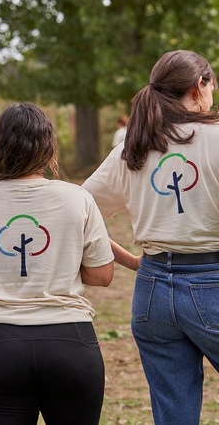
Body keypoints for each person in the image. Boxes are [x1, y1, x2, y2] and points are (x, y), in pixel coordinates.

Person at [0, 102, 114, 425]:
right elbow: (102, 274)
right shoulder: (76, 198)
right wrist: (61, 261)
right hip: (71, 345)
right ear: (49, 147)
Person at [83, 49, 219, 425]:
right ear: (198, 88)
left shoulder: (131, 149)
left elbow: (78, 211)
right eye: (212, 88)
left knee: (174, 414)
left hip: (153, 291)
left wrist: (133, 262)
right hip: (211, 282)